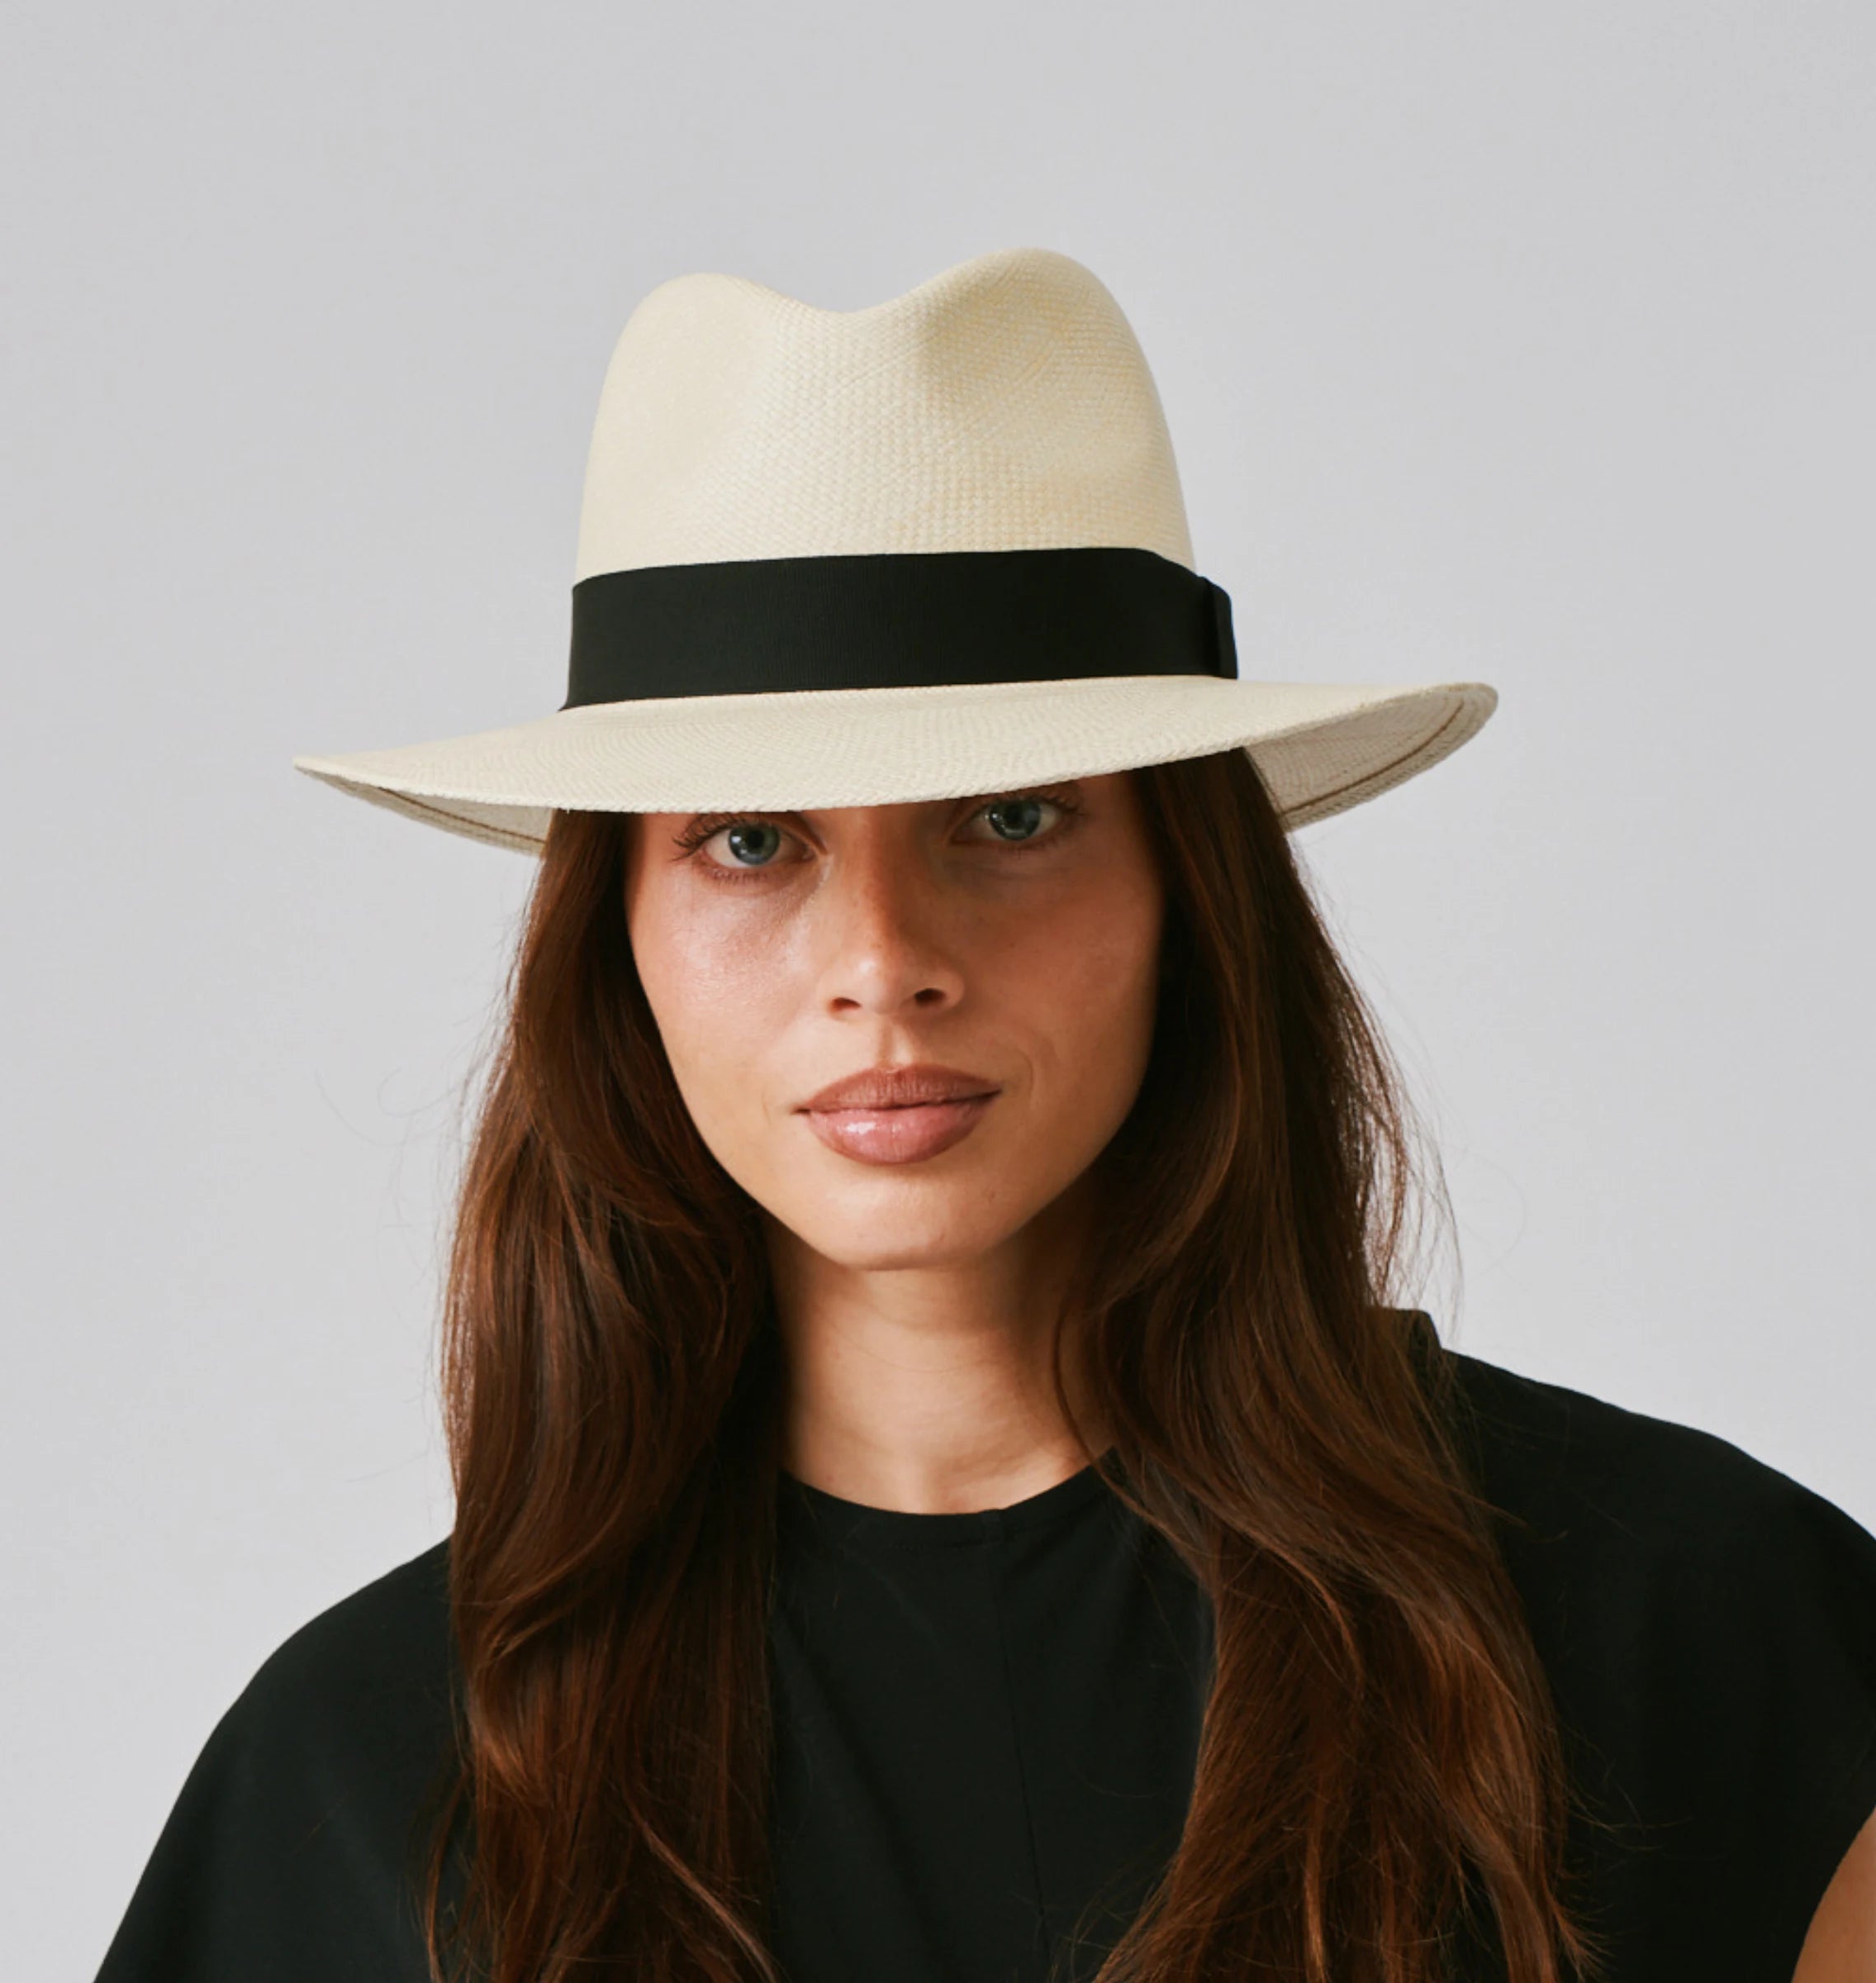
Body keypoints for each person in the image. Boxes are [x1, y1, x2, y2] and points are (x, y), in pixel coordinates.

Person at [93, 247, 1876, 1983]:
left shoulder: (1694, 1627)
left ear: (1190, 884)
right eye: (748, 839)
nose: (884, 962)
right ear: (614, 939)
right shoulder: (365, 1781)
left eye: (1010, 818)